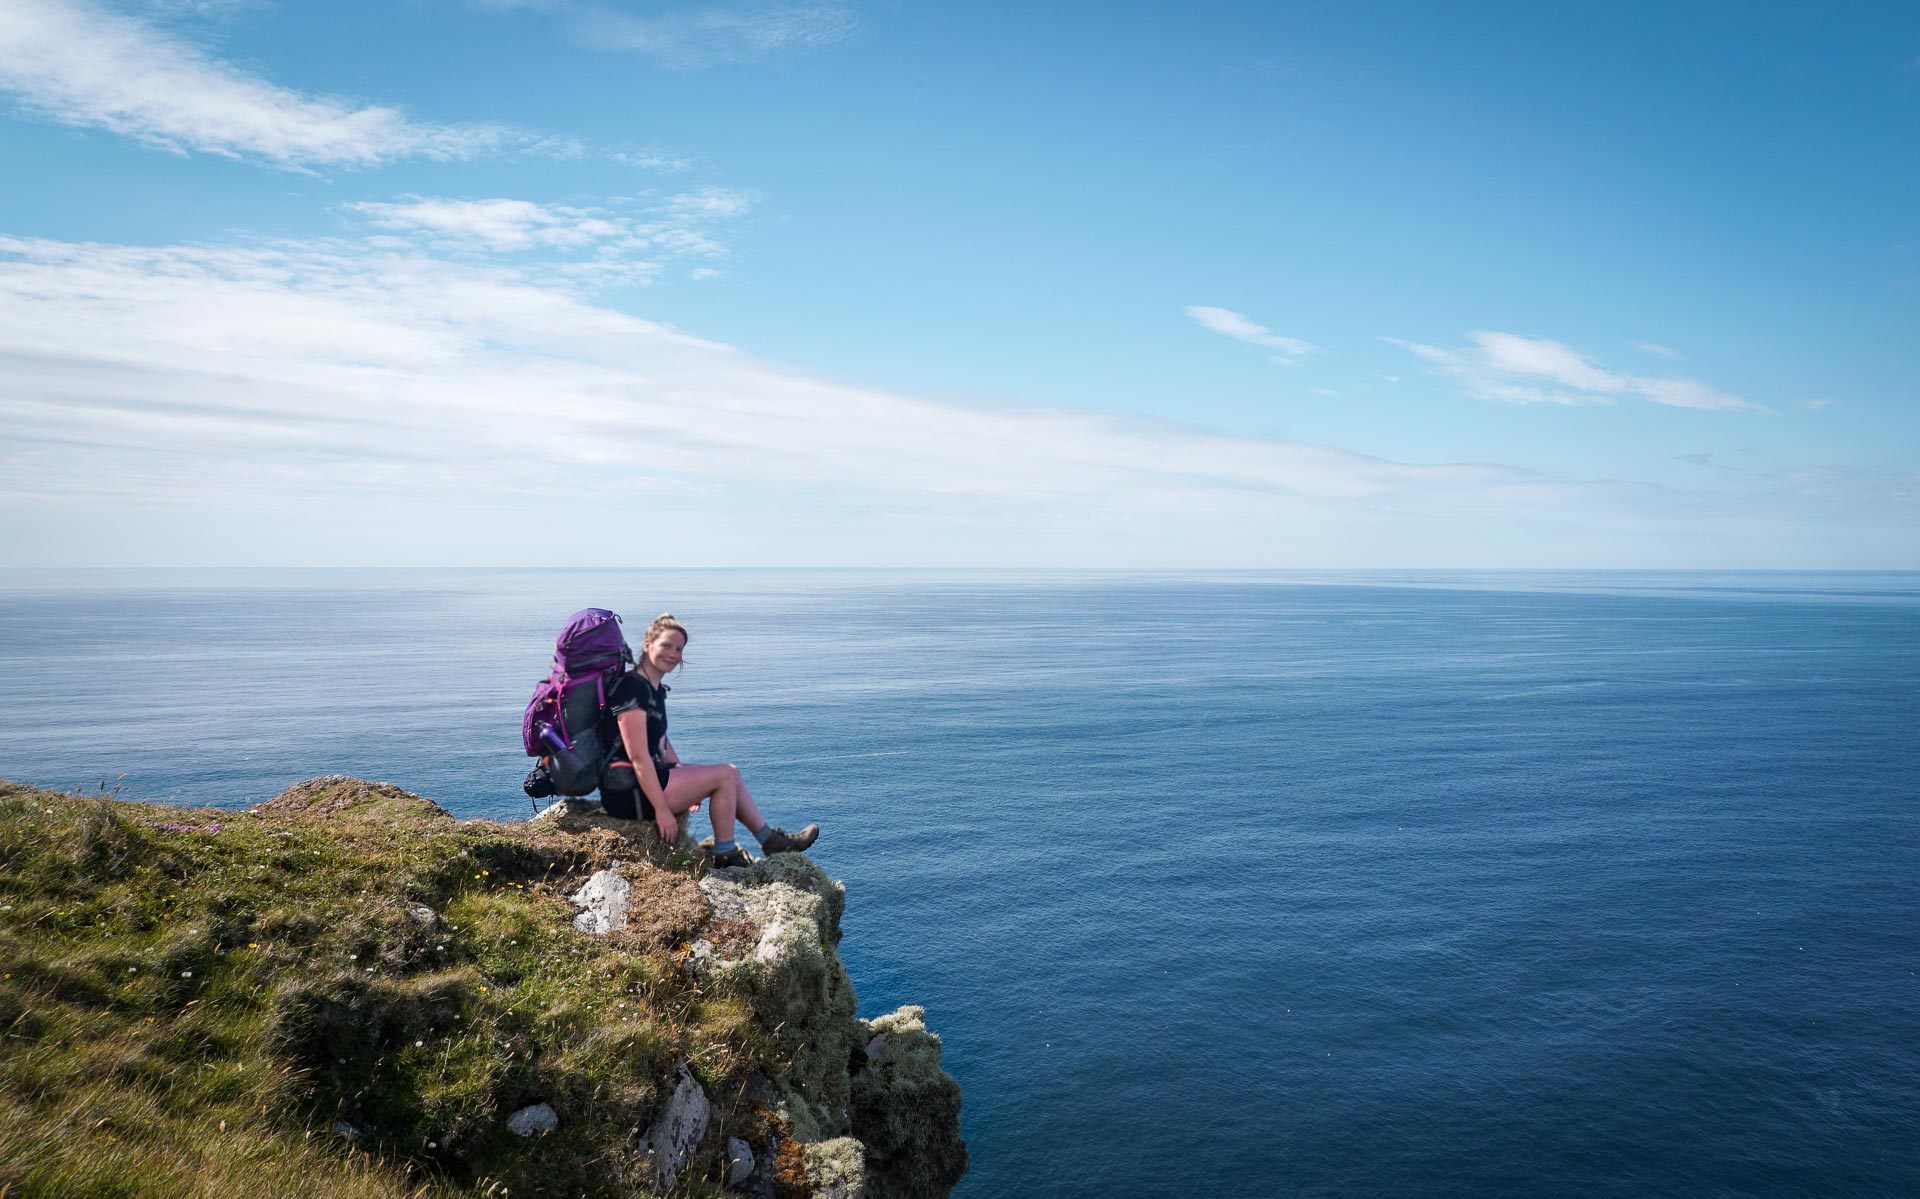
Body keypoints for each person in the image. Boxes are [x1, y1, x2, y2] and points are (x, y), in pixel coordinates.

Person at [601, 613, 819, 868]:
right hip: (627, 792)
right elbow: (638, 755)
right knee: (724, 775)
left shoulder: (652, 689)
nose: (673, 653)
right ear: (647, 645)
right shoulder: (632, 688)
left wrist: (685, 777)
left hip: (642, 782)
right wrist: (661, 809)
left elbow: (660, 740)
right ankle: (726, 855)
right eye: (666, 645)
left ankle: (770, 841)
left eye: (679, 648)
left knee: (732, 774)